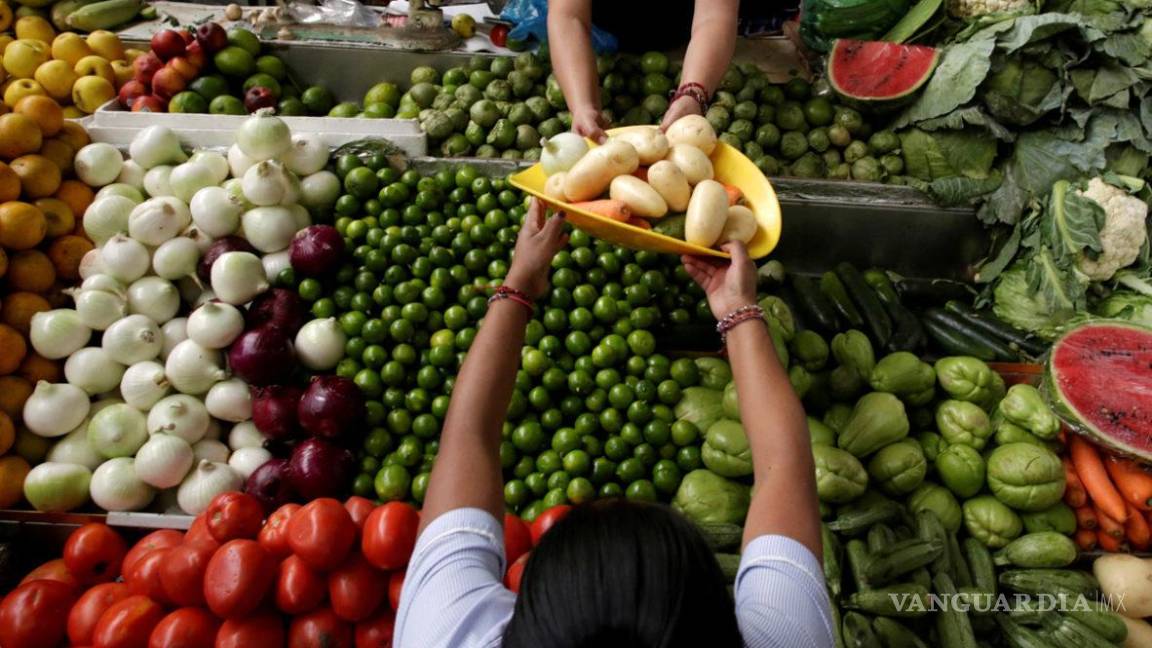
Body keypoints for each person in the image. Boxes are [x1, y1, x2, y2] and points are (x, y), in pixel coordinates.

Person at [393, 198, 833, 648]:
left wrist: (518, 284)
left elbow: (467, 435)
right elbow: (786, 462)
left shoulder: (445, 635)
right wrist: (737, 309)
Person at [547, 0, 741, 140]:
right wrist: (582, 106)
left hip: (684, 27)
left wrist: (693, 94)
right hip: (603, 30)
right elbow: (569, 16)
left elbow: (714, 15)